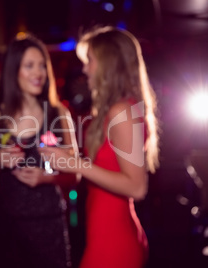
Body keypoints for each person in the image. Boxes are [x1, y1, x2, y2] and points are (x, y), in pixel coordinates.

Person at [40, 26, 160, 268]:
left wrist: (74, 163)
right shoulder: (114, 111)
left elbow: (137, 187)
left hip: (114, 242)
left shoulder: (122, 111)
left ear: (109, 64)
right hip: (104, 235)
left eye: (90, 61)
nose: (85, 69)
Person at [0, 33, 78, 268]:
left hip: (48, 221)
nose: (39, 73)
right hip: (6, 224)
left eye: (42, 65)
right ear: (14, 71)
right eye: (30, 66)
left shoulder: (58, 114)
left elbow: (77, 174)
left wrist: (47, 177)